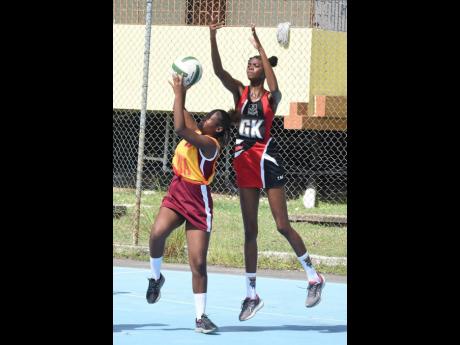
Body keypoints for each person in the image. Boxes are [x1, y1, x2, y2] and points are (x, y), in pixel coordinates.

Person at [209, 18, 326, 321]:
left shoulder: (271, 97)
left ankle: (313, 277)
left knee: (282, 225)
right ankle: (251, 295)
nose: (250, 67)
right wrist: (212, 36)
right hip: (243, 162)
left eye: (255, 64)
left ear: (263, 67)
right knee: (250, 231)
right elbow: (219, 72)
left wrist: (259, 45)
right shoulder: (240, 93)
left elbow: (275, 85)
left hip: (267, 160)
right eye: (248, 64)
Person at [146, 74, 234, 334]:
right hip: (177, 192)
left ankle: (200, 317)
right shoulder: (199, 132)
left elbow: (179, 129)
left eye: (209, 119)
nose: (204, 119)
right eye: (205, 116)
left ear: (217, 128)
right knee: (156, 234)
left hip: (198, 202)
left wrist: (178, 94)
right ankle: (155, 277)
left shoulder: (209, 144)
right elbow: (182, 111)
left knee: (197, 263)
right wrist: (180, 89)